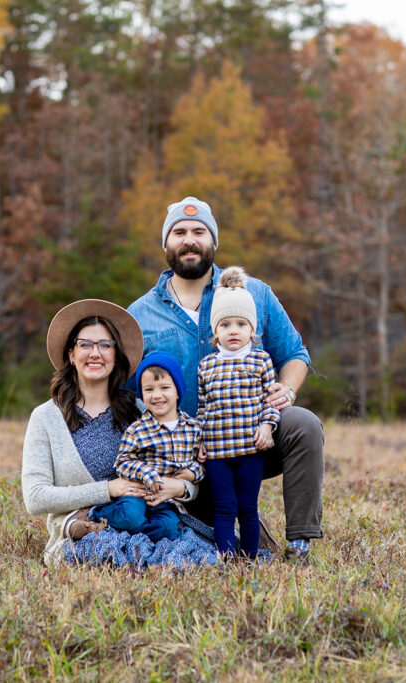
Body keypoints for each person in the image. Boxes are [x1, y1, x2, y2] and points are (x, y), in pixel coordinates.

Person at [127, 196, 324, 561]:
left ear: (213, 242)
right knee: (221, 533)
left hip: (256, 435)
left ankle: (301, 541)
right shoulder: (139, 315)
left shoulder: (255, 294)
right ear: (165, 244)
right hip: (188, 450)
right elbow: (124, 393)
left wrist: (287, 391)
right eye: (180, 232)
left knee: (304, 425)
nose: (190, 240)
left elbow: (295, 355)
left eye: (199, 232)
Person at [21, 299, 198, 565]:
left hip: (149, 517)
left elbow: (184, 466)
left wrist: (182, 488)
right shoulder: (46, 418)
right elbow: (35, 497)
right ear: (71, 354)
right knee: (98, 549)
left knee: (184, 543)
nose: (96, 353)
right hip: (83, 529)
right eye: (85, 345)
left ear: (115, 356)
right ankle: (89, 530)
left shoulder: (141, 410)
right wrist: (109, 489)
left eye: (105, 345)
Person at [197, 266, 281, 559]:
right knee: (224, 506)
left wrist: (267, 427)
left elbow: (270, 401)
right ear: (215, 331)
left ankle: (249, 557)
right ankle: (225, 556)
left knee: (247, 506)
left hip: (250, 449)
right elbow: (203, 408)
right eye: (225, 325)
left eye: (241, 324)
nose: (233, 331)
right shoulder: (207, 366)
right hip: (219, 453)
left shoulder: (260, 361)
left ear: (252, 329)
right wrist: (201, 441)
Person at [89, 351, 204, 542]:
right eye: (149, 390)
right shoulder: (138, 429)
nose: (157, 395)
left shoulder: (193, 429)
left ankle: (129, 537)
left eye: (164, 387)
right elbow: (122, 462)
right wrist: (147, 473)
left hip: (166, 500)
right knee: (130, 515)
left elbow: (199, 463)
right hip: (137, 494)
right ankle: (95, 515)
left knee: (169, 529)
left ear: (178, 391)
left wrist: (192, 473)